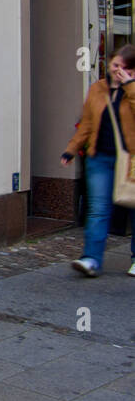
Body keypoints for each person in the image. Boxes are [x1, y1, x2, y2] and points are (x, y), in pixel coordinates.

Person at [62, 44, 135, 278]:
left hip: (131, 160)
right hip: (99, 158)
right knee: (97, 209)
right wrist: (71, 150)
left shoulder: (132, 90)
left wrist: (129, 87)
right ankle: (91, 259)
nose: (117, 70)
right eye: (115, 65)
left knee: (134, 207)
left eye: (124, 67)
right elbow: (87, 123)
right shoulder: (97, 89)